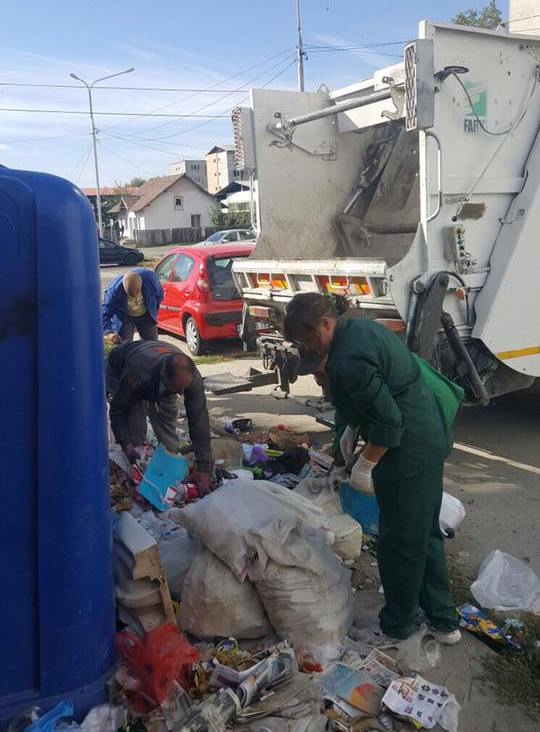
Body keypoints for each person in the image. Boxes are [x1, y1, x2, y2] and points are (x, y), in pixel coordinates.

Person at [283, 292, 461, 645]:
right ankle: (443, 621)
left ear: (326, 323)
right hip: (427, 432)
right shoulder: (360, 329)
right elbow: (358, 407)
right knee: (423, 532)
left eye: (310, 340)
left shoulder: (348, 360)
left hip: (407, 447)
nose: (310, 349)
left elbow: (389, 422)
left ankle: (398, 626)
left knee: (398, 541)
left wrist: (364, 465)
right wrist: (343, 449)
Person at [107, 340, 212, 494]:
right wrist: (125, 443)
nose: (181, 393)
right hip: (120, 369)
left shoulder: (190, 378)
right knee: (135, 424)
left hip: (157, 372)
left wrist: (203, 467)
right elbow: (119, 409)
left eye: (184, 389)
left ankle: (169, 461)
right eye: (177, 389)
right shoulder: (138, 374)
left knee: (168, 416)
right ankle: (138, 473)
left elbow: (199, 418)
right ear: (164, 377)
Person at [103, 269, 163, 343]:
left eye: (137, 293)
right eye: (130, 294)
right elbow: (105, 312)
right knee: (124, 344)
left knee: (151, 344)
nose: (135, 297)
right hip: (125, 317)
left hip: (146, 315)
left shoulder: (150, 279)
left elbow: (159, 295)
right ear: (123, 287)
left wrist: (153, 309)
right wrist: (109, 332)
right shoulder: (114, 290)